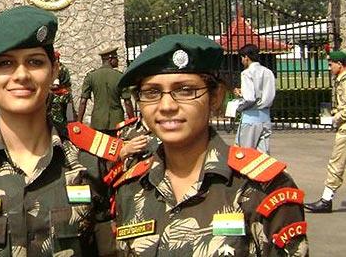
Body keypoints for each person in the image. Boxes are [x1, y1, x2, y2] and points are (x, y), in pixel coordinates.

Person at [0, 6, 116, 256]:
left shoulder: (92, 162)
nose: (21, 75)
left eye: (35, 62)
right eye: (5, 63)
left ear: (54, 70)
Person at [111, 34, 308, 256]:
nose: (166, 105)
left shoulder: (262, 189)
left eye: (185, 90)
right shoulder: (131, 188)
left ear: (215, 97)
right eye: (151, 92)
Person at [305, 49, 346, 213]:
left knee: (336, 164)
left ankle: (326, 200)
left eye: (331, 64)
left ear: (340, 64)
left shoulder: (344, 81)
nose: (329, 68)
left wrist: (334, 118)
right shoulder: (340, 80)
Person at [78, 47, 134, 135]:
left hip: (98, 121)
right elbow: (127, 102)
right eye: (116, 58)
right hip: (117, 121)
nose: (118, 61)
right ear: (110, 59)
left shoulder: (91, 76)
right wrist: (132, 121)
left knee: (99, 147)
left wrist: (79, 122)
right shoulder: (120, 77)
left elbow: (83, 101)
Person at [234, 44, 276, 153]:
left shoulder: (247, 73)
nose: (242, 61)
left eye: (242, 58)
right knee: (263, 155)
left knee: (244, 154)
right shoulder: (268, 72)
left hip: (250, 119)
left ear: (246, 57)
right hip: (265, 117)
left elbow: (250, 99)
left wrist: (238, 107)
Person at [48, 51, 76, 136]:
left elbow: (57, 85)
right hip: (66, 96)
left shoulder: (55, 69)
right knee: (69, 117)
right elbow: (68, 83)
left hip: (58, 97)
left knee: (58, 119)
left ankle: (63, 134)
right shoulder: (64, 68)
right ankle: (70, 133)